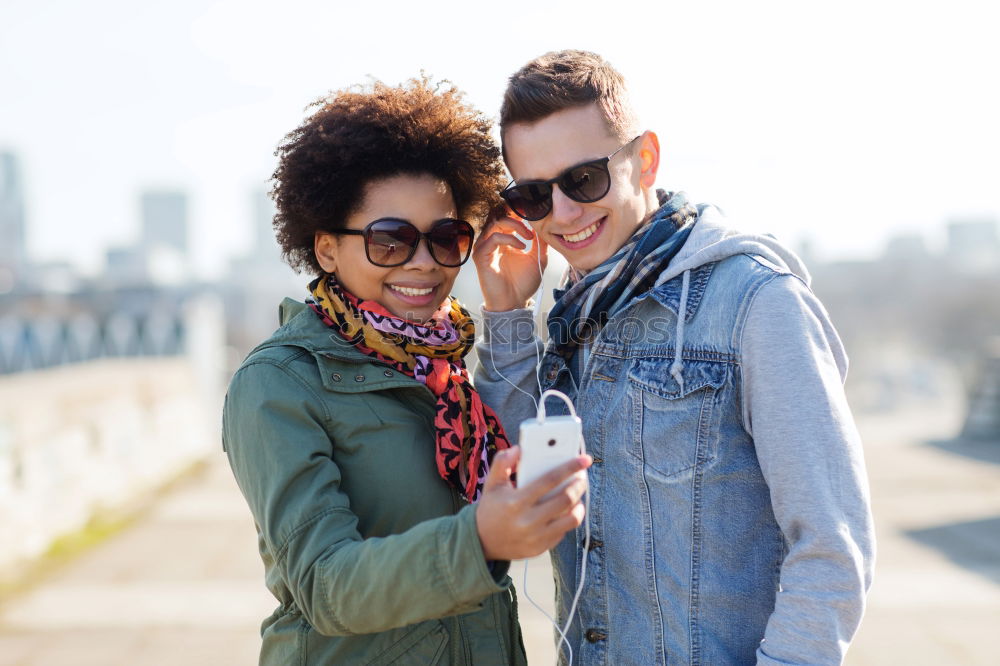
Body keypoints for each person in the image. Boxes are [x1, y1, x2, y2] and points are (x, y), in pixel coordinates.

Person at [474, 50, 876, 664]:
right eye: (534, 194)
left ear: (646, 159)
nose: (563, 214)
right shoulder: (576, 318)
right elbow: (511, 482)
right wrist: (505, 313)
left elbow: (832, 547)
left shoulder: (757, 303)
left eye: (584, 179)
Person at [222, 77, 591, 665]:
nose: (424, 262)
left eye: (445, 238)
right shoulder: (279, 383)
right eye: (390, 241)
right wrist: (479, 542)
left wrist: (505, 309)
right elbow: (323, 585)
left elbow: (508, 451)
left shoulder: (442, 369)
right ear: (324, 249)